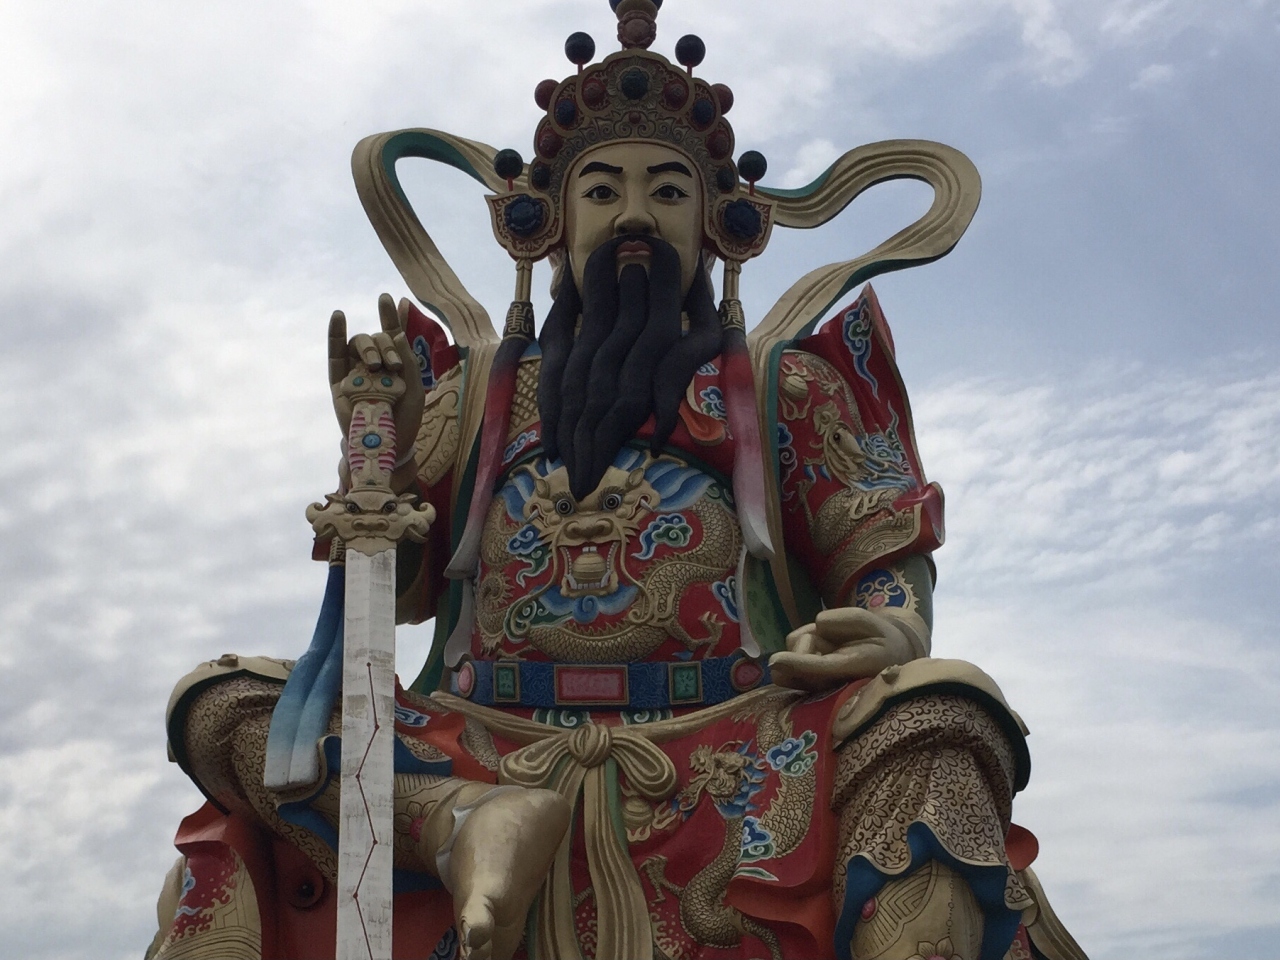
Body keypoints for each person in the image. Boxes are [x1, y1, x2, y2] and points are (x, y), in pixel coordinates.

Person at [150, 4, 1086, 960]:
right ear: (549, 226)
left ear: (716, 228)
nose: (634, 215)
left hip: (732, 747)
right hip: (482, 745)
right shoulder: (472, 395)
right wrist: (373, 448)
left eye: (667, 192)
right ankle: (457, 824)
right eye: (602, 192)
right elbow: (390, 602)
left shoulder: (783, 388)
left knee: (945, 708)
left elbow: (875, 547)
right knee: (223, 699)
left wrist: (894, 626)